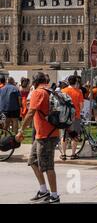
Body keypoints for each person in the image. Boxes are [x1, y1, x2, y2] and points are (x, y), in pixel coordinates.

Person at [17, 72, 60, 203]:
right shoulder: (50, 91)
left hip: (46, 135)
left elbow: (31, 112)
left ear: (35, 82)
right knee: (33, 161)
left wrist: (21, 129)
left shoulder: (38, 92)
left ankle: (54, 195)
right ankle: (43, 190)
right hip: (45, 134)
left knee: (48, 166)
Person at [60, 75, 84, 160]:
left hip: (65, 117)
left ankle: (63, 154)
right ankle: (73, 154)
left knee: (64, 135)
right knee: (75, 135)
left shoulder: (63, 91)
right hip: (75, 116)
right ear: (76, 82)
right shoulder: (79, 92)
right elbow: (81, 106)